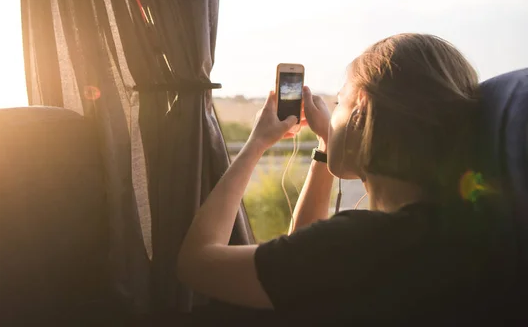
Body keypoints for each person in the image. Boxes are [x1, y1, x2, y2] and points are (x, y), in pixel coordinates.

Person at [176, 33, 518, 324]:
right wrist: (327, 147)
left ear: (362, 111)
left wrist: (255, 144)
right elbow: (302, 254)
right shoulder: (466, 229)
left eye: (339, 101)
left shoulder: (361, 243)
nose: (331, 110)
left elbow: (198, 263)